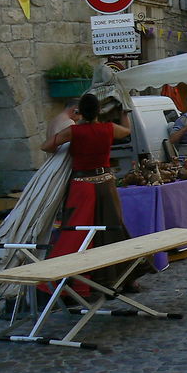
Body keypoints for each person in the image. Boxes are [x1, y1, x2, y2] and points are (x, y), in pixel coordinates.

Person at [41, 93, 144, 291]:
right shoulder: (109, 128)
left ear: (80, 112)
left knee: (78, 233)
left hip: (82, 187)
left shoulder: (73, 132)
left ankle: (79, 282)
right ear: (99, 111)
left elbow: (46, 146)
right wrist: (124, 111)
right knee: (114, 229)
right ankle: (127, 278)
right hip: (106, 184)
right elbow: (127, 130)